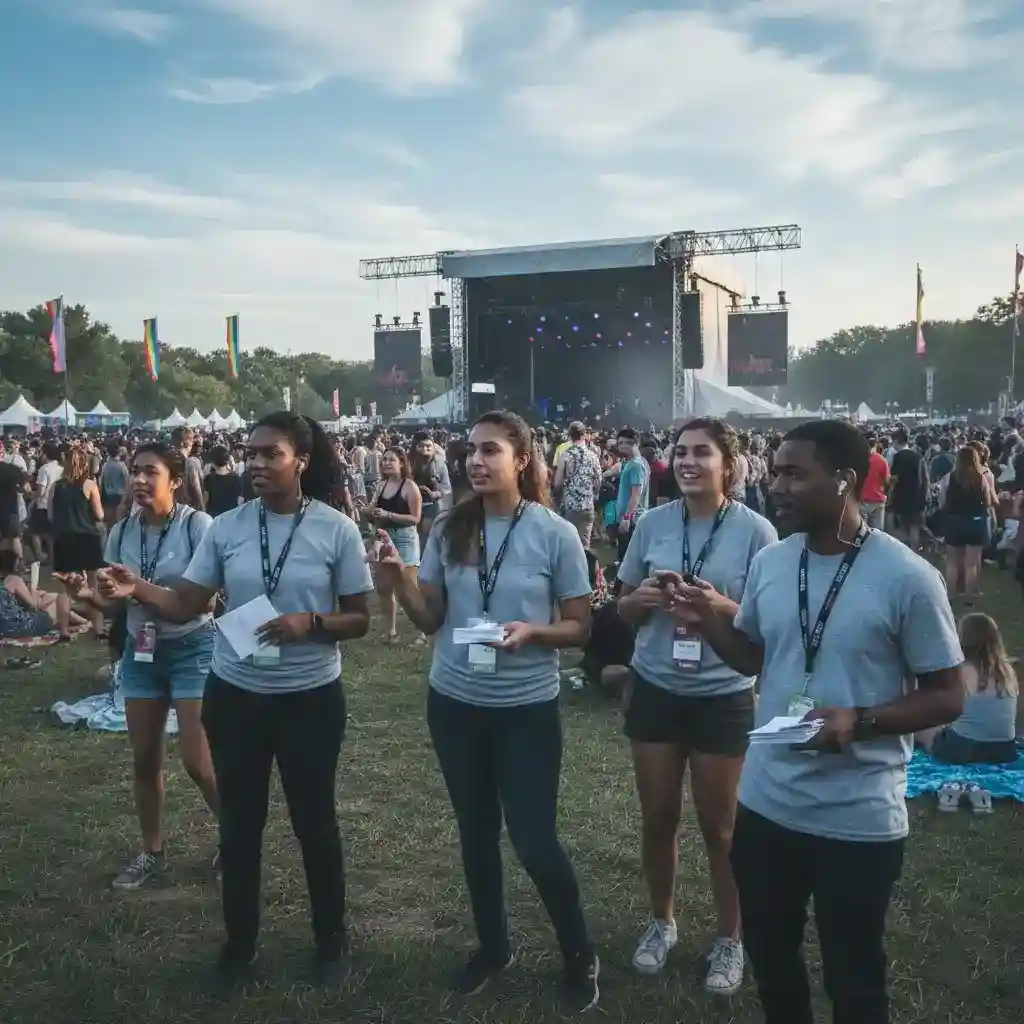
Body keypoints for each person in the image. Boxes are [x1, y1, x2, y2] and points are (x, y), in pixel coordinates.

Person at [670, 420, 964, 1024]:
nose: (775, 485)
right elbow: (757, 656)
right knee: (774, 967)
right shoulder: (775, 562)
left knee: (854, 982)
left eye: (794, 474)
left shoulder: (908, 577)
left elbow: (948, 696)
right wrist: (708, 621)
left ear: (844, 482)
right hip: (767, 806)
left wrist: (861, 719)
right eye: (774, 471)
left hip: (856, 818)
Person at [98, 413, 373, 987]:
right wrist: (136, 587)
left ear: (301, 459)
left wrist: (311, 621)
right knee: (241, 827)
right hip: (237, 695)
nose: (255, 463)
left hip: (309, 698)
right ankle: (240, 946)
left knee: (314, 823)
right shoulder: (227, 527)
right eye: (251, 454)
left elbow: (360, 618)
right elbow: (187, 604)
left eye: (270, 454)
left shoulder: (335, 529)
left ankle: (331, 941)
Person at [373, 410, 600, 1012]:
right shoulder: (450, 527)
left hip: (525, 707)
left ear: (522, 460)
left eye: (490, 450)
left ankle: (580, 954)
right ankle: (494, 946)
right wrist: (397, 584)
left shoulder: (555, 533)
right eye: (470, 450)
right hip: (454, 703)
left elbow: (579, 627)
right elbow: (432, 621)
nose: (474, 460)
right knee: (475, 833)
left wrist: (533, 632)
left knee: (533, 840)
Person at [616, 418, 777, 995]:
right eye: (679, 452)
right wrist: (645, 597)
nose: (686, 462)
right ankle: (662, 923)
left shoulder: (758, 533)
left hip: (722, 695)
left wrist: (718, 604)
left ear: (727, 465)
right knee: (659, 818)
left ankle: (730, 938)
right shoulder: (653, 524)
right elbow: (624, 607)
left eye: (700, 453)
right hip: (656, 688)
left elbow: (766, 621)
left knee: (722, 828)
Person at [71, 444, 220, 889]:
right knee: (144, 758)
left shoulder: (198, 527)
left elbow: (204, 601)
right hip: (141, 651)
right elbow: (114, 603)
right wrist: (88, 598)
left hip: (194, 647)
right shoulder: (121, 532)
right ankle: (152, 852)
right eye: (134, 471)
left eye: (149, 472)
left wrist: (137, 588)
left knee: (197, 761)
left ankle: (237, 837)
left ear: (174, 479)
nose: (137, 480)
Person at [920, 612, 1018, 766]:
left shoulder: (960, 671)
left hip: (968, 750)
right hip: (1006, 750)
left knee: (921, 727)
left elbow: (940, 710)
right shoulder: (1008, 671)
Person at [366, 446, 423, 643]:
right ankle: (391, 631)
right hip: (384, 538)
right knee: (384, 587)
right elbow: (375, 512)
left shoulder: (410, 486)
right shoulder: (381, 485)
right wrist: (368, 511)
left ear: (401, 462)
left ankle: (421, 632)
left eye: (391, 459)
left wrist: (389, 515)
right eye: (384, 460)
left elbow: (415, 518)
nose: (387, 463)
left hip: (405, 539)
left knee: (407, 587)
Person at [50, 445, 106, 636]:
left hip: (64, 538)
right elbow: (99, 514)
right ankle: (98, 629)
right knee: (93, 585)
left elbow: (50, 515)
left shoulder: (56, 486)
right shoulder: (89, 484)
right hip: (88, 538)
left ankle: (64, 631)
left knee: (65, 589)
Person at [938, 446, 994, 600]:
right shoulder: (980, 477)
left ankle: (950, 596)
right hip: (975, 523)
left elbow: (942, 502)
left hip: (955, 522)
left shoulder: (949, 477)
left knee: (952, 563)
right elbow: (987, 502)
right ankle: (969, 597)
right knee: (972, 564)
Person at [614, 427, 650, 562]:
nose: (621, 446)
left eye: (624, 443)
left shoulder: (636, 465)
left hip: (633, 519)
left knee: (627, 558)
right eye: (620, 443)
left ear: (635, 444)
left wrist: (627, 517)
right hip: (630, 517)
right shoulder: (634, 463)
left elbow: (636, 494)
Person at [203, 445, 245, 517]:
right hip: (232, 516)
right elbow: (240, 501)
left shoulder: (209, 479)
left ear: (213, 462)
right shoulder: (236, 478)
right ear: (227, 461)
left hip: (215, 517)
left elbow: (205, 500)